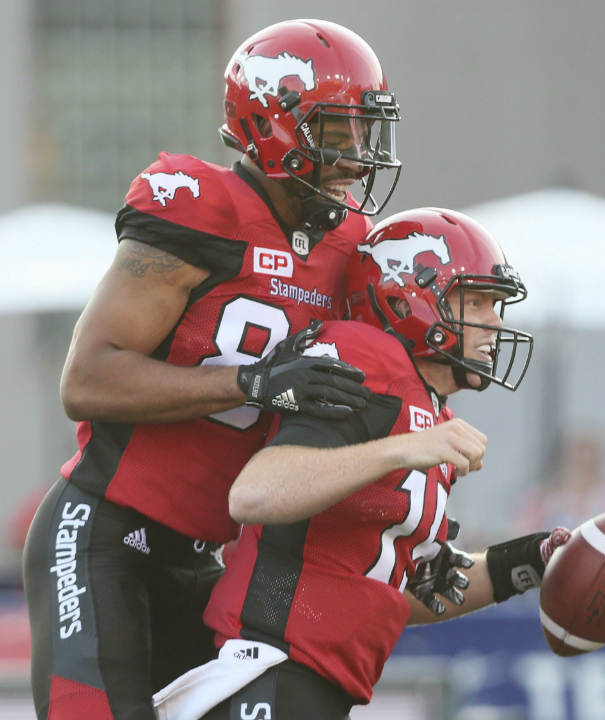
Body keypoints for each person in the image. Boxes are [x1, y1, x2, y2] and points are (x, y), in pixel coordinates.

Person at [22, 19, 400, 720]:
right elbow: (88, 379)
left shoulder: (352, 245)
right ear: (275, 125)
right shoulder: (202, 207)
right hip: (105, 532)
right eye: (337, 133)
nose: (357, 157)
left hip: (211, 565)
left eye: (363, 133)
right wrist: (250, 382)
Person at [151, 208, 568, 720]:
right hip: (269, 669)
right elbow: (255, 493)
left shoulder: (429, 413)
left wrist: (531, 562)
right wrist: (403, 449)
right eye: (477, 301)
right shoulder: (368, 358)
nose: (495, 321)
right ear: (410, 297)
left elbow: (403, 589)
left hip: (316, 685)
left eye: (496, 304)